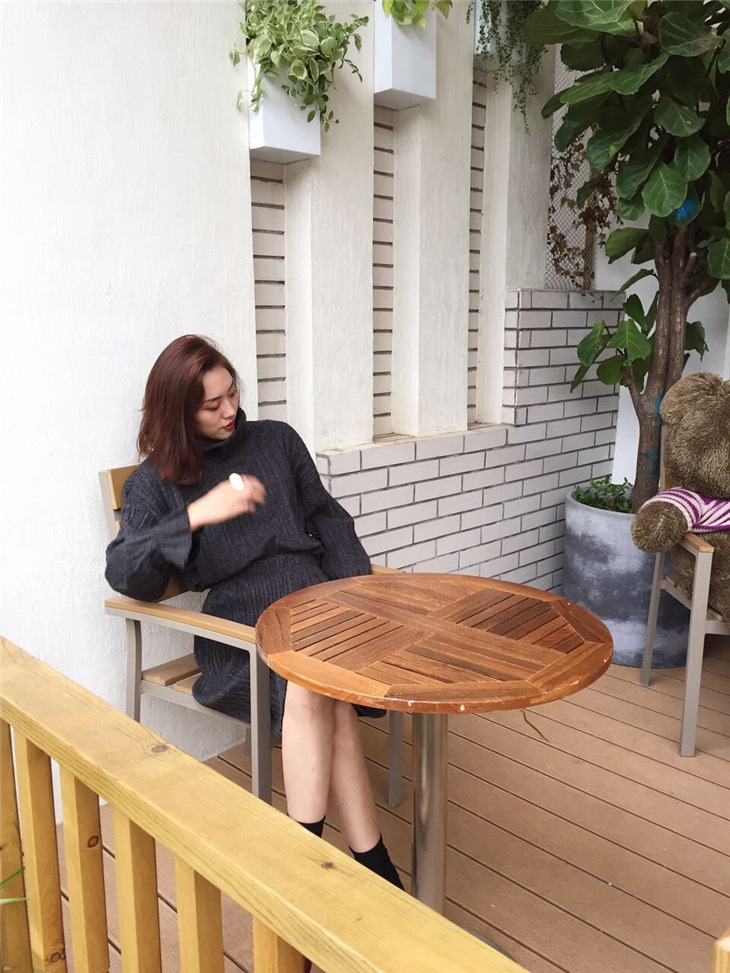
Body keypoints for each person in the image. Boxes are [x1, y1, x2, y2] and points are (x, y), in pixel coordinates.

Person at [105, 334, 403, 896]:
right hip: (242, 628)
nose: (229, 411)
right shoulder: (157, 481)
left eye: (232, 394)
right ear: (178, 412)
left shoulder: (276, 440)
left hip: (319, 606)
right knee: (312, 678)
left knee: (321, 679)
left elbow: (329, 520)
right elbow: (126, 574)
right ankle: (349, 866)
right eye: (211, 404)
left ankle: (332, 867)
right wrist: (196, 514)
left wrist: (358, 596)